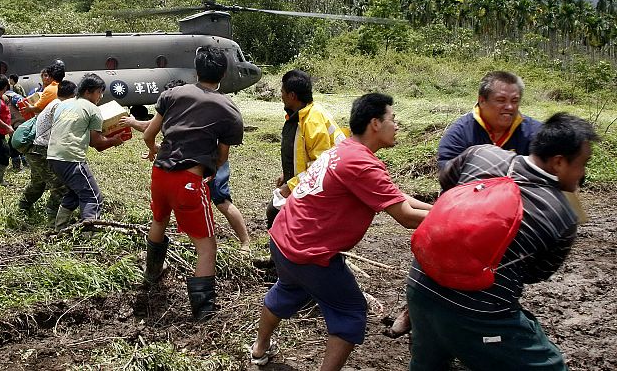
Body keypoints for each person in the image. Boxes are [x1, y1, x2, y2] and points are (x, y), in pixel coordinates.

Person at [250, 93, 431, 370]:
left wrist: (440, 207)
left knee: (288, 290)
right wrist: (453, 216)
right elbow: (405, 216)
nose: (397, 126)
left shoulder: (345, 149)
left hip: (283, 239)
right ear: (375, 123)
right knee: (351, 311)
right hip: (308, 253)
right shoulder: (362, 163)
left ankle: (259, 349)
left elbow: (396, 196)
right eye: (392, 119)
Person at [407, 113, 598, 371]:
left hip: (420, 285)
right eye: (582, 164)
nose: (582, 173)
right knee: (550, 366)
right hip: (479, 312)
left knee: (428, 365)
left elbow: (448, 184)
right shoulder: (561, 213)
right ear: (559, 162)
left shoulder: (481, 154)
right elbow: (536, 273)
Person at [141, 46, 245, 322]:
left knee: (159, 220)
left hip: (160, 174)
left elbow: (149, 134)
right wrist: (212, 169)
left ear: (196, 69)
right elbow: (222, 156)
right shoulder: (228, 108)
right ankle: (204, 312)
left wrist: (153, 150)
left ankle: (151, 275)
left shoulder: (172, 94)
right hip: (188, 181)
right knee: (207, 246)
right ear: (223, 73)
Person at [121, 81, 252, 253]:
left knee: (221, 201)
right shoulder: (181, 106)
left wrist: (132, 122)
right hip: (191, 165)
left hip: (208, 163)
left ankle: (245, 242)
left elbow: (148, 129)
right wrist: (157, 149)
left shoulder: (182, 105)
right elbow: (174, 143)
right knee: (187, 208)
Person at [267, 69, 346, 229]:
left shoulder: (312, 121)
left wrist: (291, 185)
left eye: (282, 92)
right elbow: (302, 153)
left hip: (325, 187)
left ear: (292, 96)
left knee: (275, 214)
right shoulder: (301, 115)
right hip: (308, 181)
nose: (281, 96)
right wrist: (288, 174)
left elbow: (321, 165)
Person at [48, 73, 123, 228]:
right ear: (88, 91)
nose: (101, 96)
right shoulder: (93, 109)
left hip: (53, 156)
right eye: (99, 92)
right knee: (92, 197)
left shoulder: (63, 104)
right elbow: (96, 142)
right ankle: (90, 234)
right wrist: (113, 140)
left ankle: (60, 228)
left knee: (75, 193)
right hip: (71, 158)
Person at [437, 71, 542, 169]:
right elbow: (446, 172)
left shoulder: (536, 132)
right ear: (482, 101)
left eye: (514, 101)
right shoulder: (460, 133)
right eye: (501, 100)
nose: (510, 107)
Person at [17, 79, 76, 224]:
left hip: (35, 149)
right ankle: (53, 218)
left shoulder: (54, 102)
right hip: (41, 150)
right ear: (72, 95)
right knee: (60, 186)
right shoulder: (60, 106)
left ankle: (23, 207)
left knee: (38, 183)